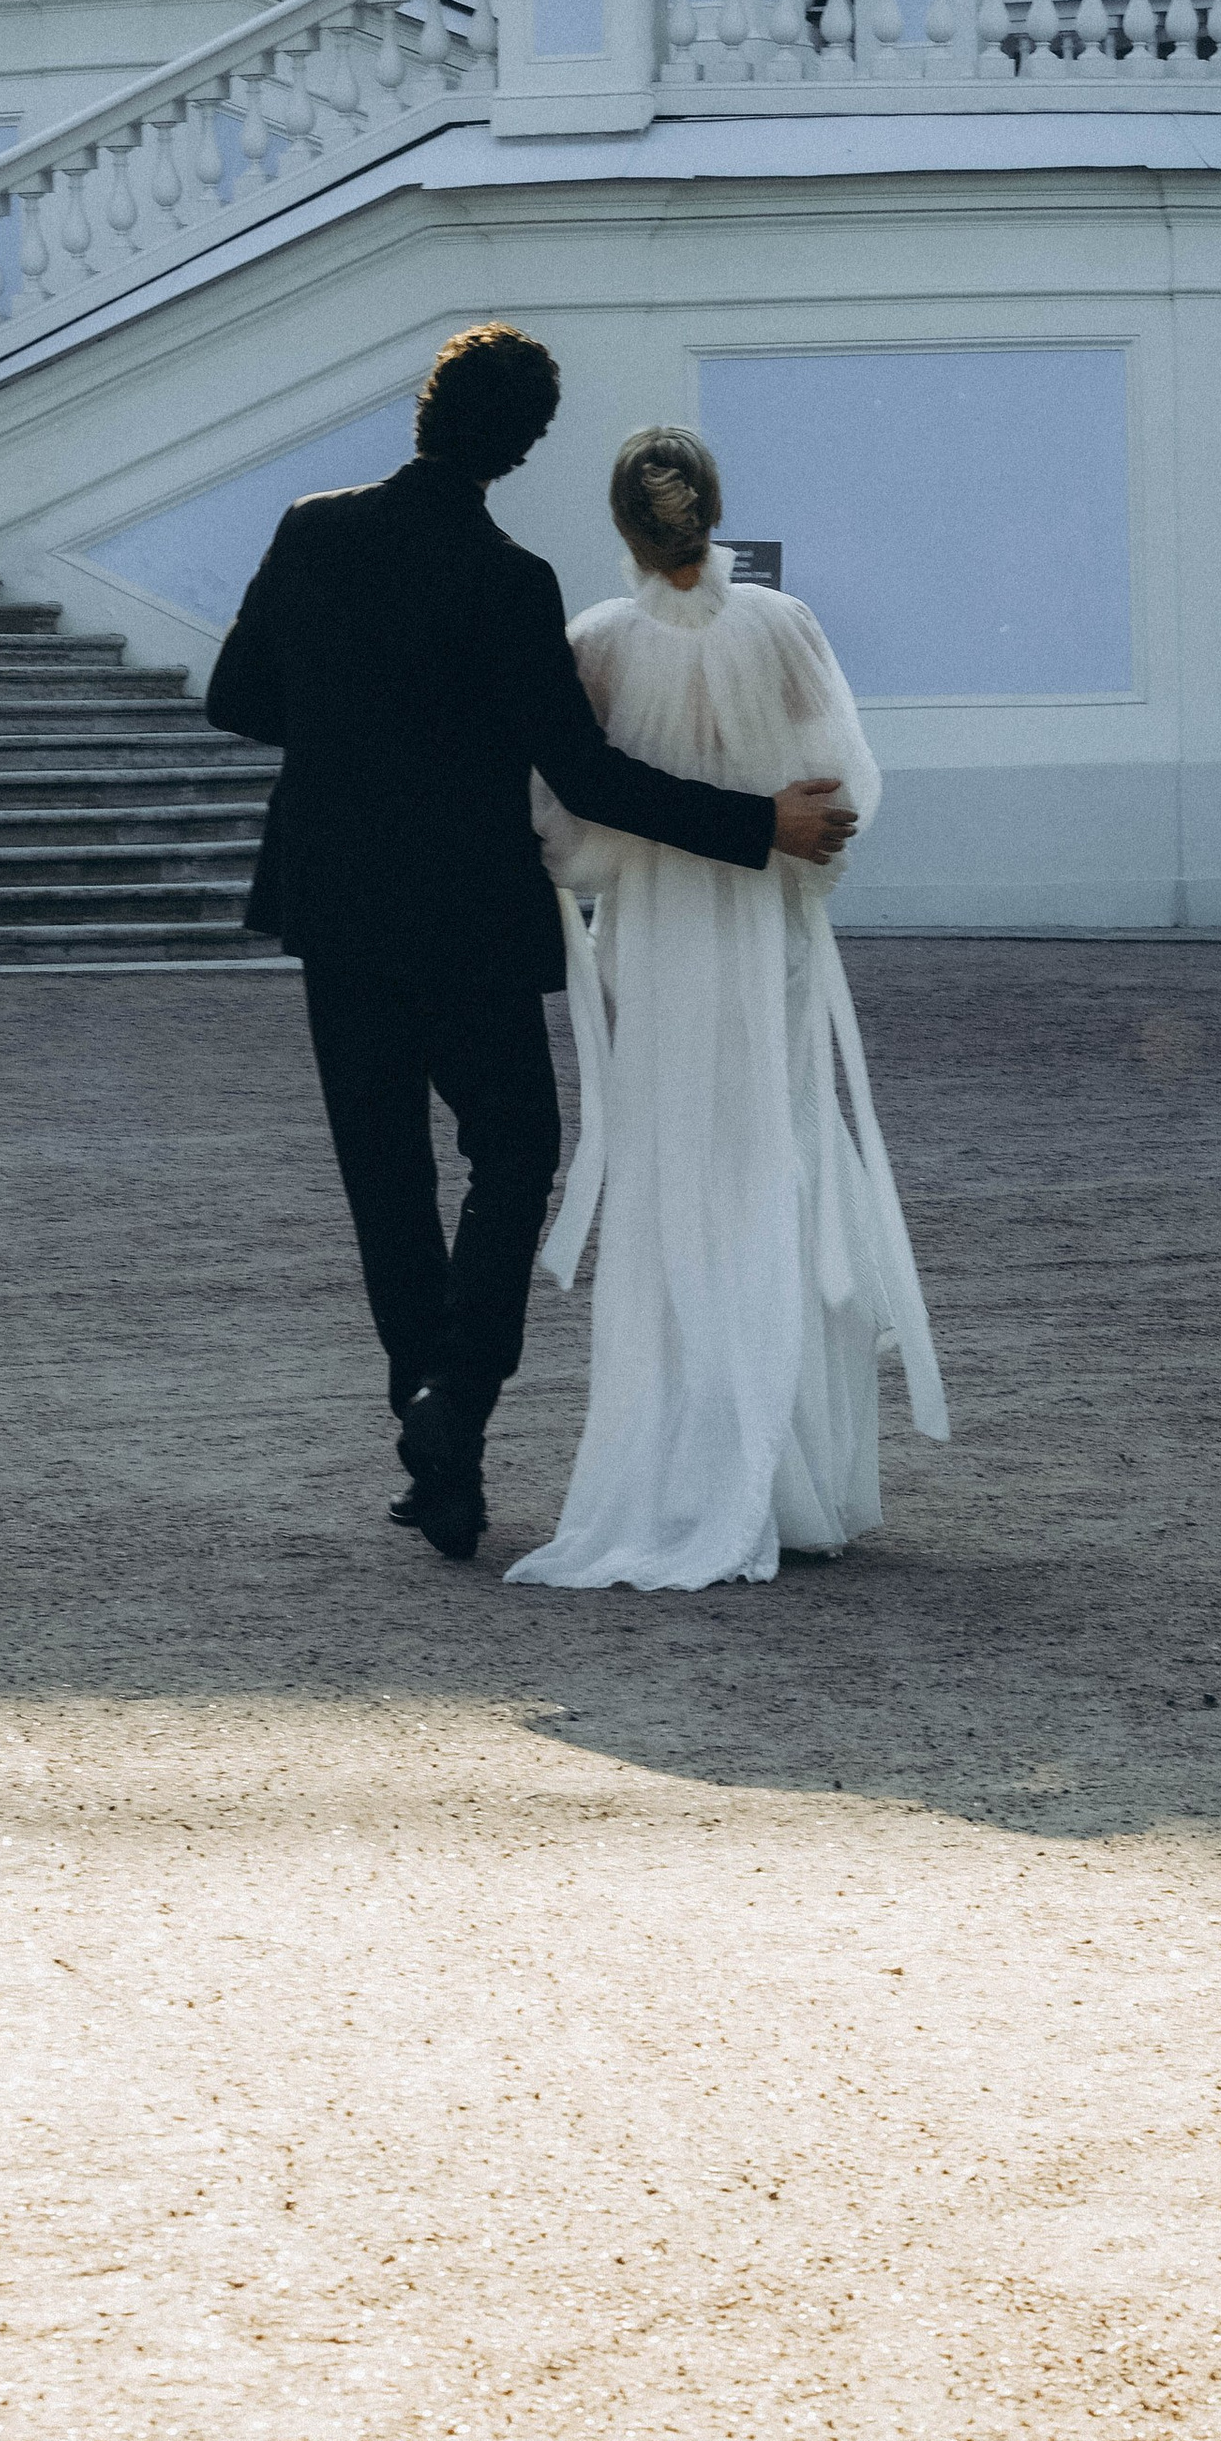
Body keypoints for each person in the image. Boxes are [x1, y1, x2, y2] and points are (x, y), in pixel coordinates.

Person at [204, 325, 855, 1562]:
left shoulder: (310, 529)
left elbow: (236, 699)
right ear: (521, 447)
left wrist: (349, 727)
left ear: (424, 410)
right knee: (514, 1151)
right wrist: (758, 825)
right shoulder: (510, 580)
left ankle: (432, 1421)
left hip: (336, 908)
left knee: (382, 1169)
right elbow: (587, 775)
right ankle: (463, 1397)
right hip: (470, 919)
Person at [506, 426, 947, 1593]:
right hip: (763, 942)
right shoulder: (784, 628)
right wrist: (783, 850)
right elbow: (840, 798)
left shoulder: (593, 645)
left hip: (652, 947)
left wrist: (632, 860)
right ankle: (796, 1473)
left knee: (669, 1182)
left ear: (623, 527)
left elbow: (564, 834)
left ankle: (685, 1464)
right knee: (777, 1166)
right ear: (713, 510)